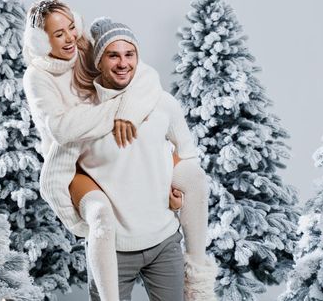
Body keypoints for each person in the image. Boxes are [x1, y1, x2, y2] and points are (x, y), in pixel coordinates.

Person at [38, 17, 218, 300]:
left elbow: (188, 154)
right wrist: (83, 224)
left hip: (164, 241)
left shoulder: (161, 103)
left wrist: (175, 185)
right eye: (113, 55)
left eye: (129, 54)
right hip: (113, 252)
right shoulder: (85, 118)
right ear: (99, 61)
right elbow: (52, 179)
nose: (123, 63)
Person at [22, 0, 178, 301]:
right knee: (102, 218)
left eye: (71, 28)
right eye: (58, 34)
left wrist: (129, 113)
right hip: (73, 164)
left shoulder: (85, 46)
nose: (69, 38)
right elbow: (63, 128)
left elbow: (145, 76)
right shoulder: (37, 77)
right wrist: (121, 109)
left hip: (104, 150)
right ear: (42, 41)